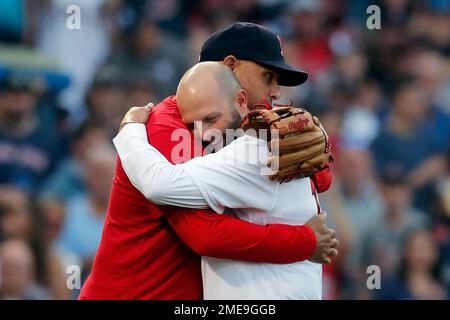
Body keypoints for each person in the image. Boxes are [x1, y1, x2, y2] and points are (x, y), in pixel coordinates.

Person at [79, 22, 337, 300]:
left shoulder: (236, 129)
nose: (276, 92)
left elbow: (319, 179)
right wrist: (305, 241)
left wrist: (312, 154)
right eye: (267, 76)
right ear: (230, 66)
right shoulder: (166, 126)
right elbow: (203, 234)